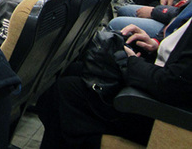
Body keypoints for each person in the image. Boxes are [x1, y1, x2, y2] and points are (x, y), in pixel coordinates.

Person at [37, 16, 192, 148]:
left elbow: (172, 84)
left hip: (165, 116)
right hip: (161, 85)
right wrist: (155, 45)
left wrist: (131, 62)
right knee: (75, 69)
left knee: (66, 91)